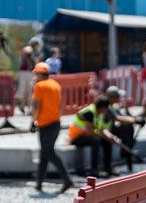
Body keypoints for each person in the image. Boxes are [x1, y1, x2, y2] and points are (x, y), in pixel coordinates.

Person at [30, 62, 74, 193]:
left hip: (45, 124)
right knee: (44, 153)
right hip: (56, 123)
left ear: (38, 74)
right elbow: (61, 105)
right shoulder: (56, 85)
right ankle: (39, 183)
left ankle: (67, 179)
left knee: (48, 152)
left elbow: (36, 105)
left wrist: (33, 121)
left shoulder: (39, 86)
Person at [67, 95, 120, 176]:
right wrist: (104, 136)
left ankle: (108, 167)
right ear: (102, 108)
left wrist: (110, 137)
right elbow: (89, 132)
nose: (106, 111)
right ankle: (94, 169)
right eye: (106, 108)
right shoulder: (90, 112)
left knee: (107, 141)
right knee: (96, 140)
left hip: (86, 136)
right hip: (76, 137)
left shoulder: (100, 114)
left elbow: (102, 129)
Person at [103, 86, 143, 172]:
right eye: (117, 96)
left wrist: (133, 120)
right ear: (112, 97)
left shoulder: (113, 106)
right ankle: (110, 165)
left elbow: (123, 117)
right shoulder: (106, 107)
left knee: (128, 128)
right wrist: (135, 121)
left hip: (109, 130)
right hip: (103, 132)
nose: (119, 98)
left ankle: (127, 153)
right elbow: (118, 118)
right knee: (126, 128)